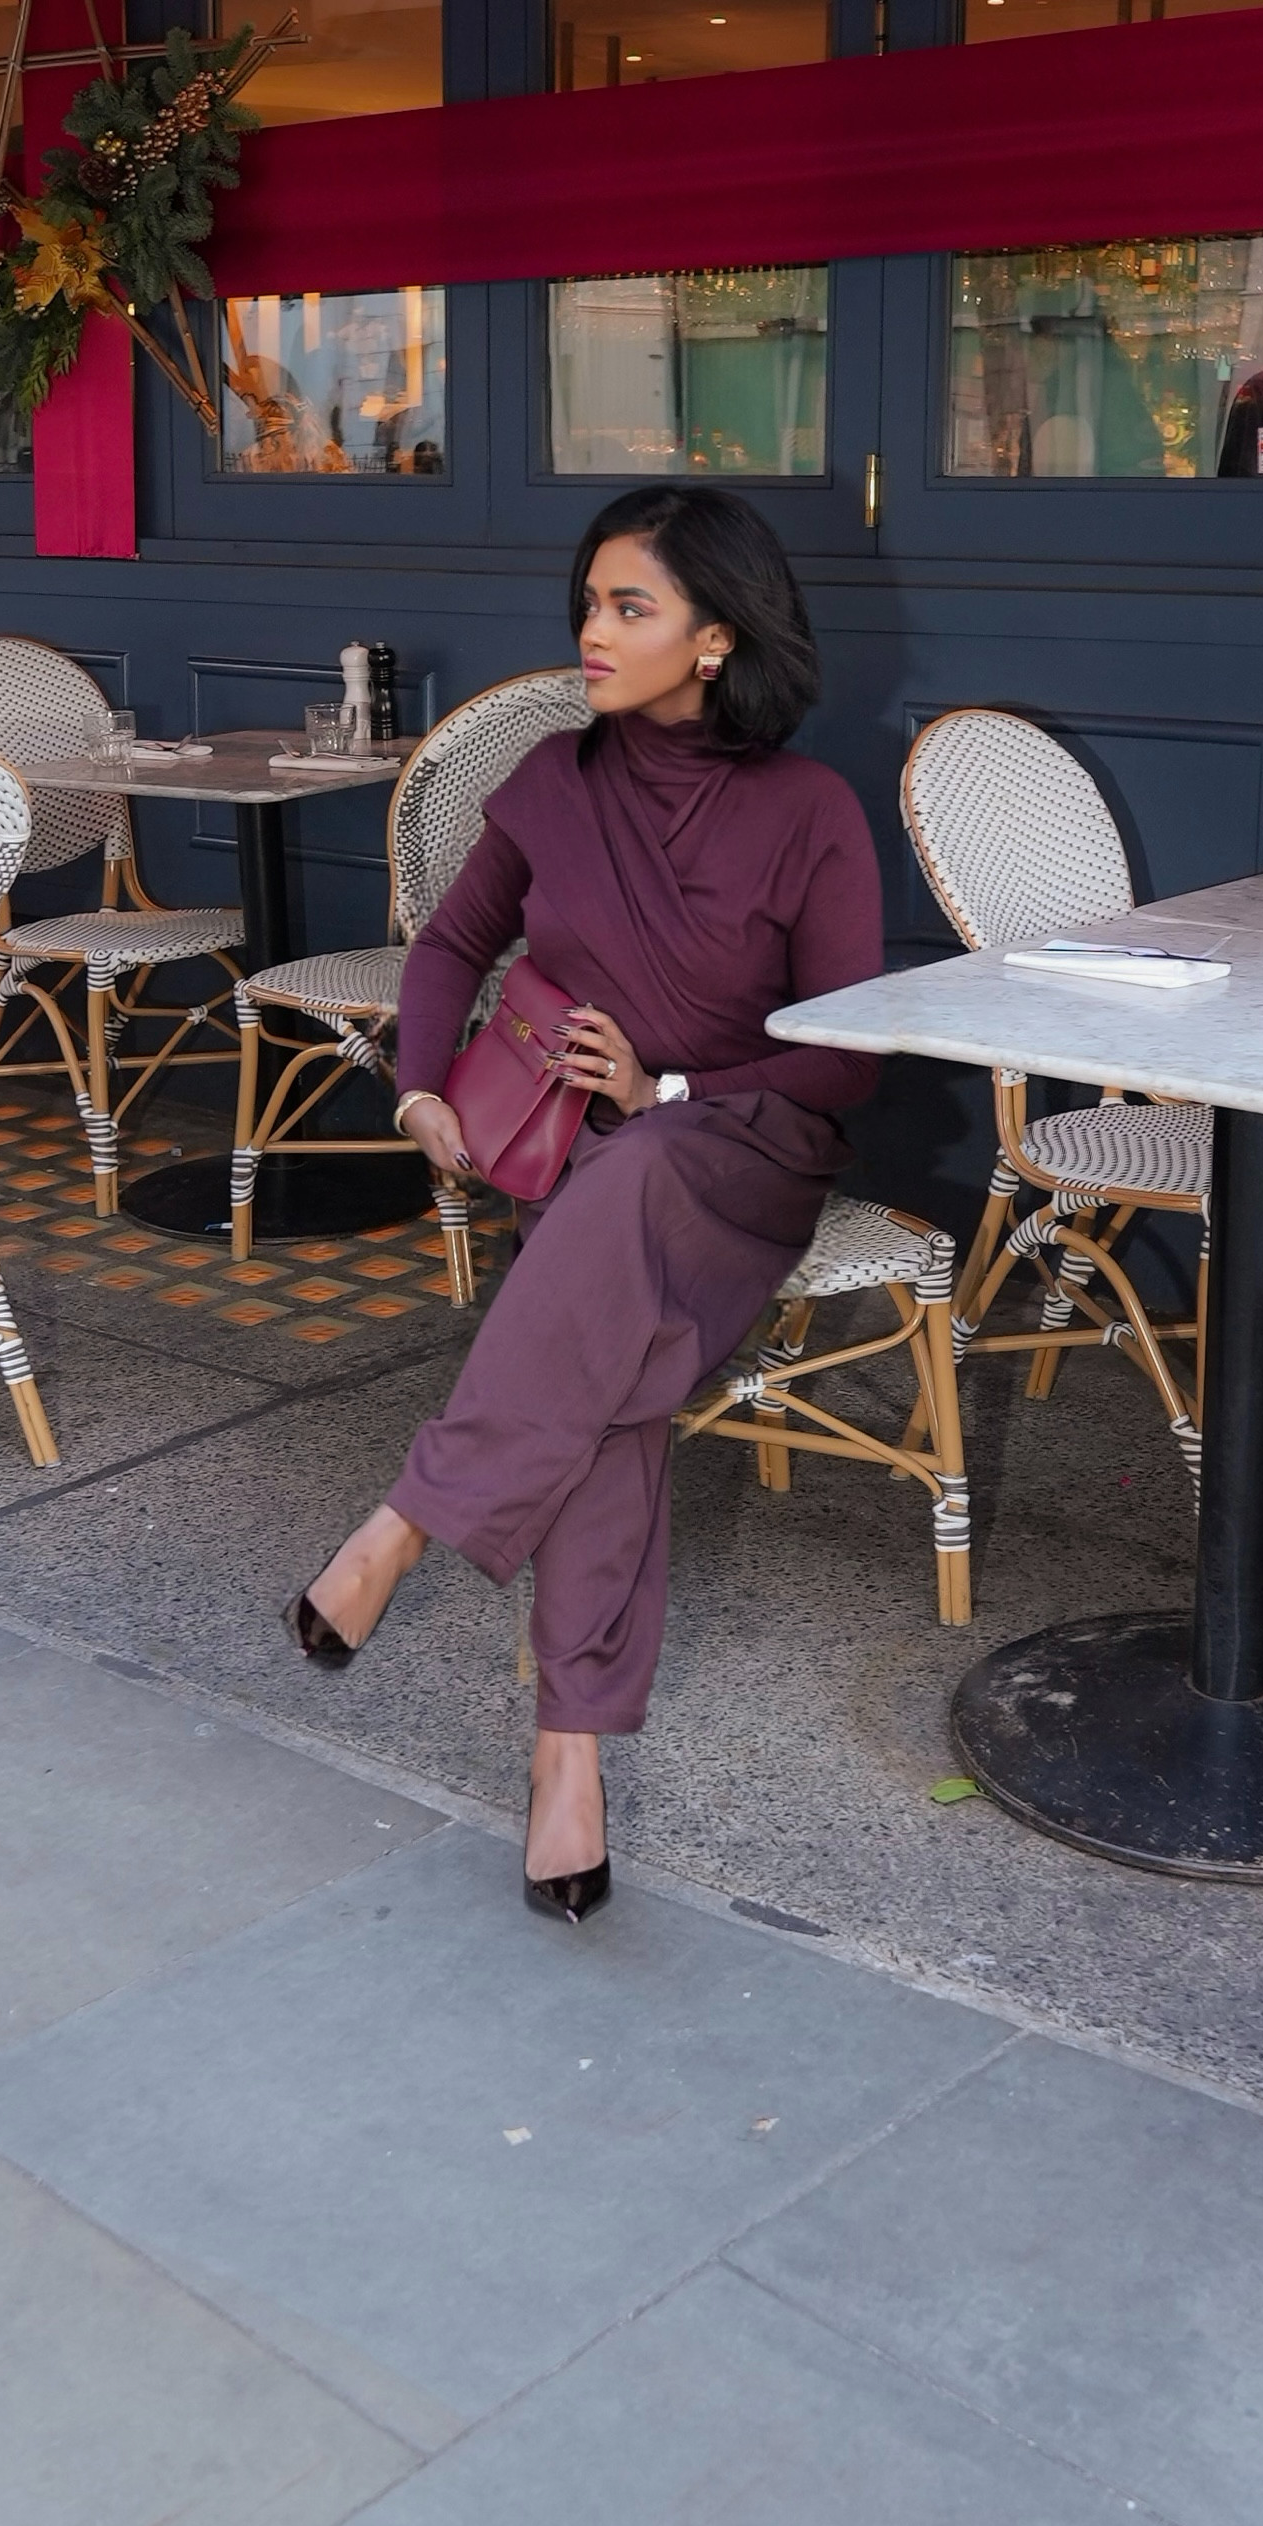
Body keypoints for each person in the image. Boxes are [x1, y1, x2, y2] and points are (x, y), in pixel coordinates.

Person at [284, 486, 883, 1922]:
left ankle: (407, 1527)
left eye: (633, 608)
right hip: (588, 1167)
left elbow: (853, 1050)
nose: (592, 633)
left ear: (717, 639)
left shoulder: (811, 811)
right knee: (610, 1365)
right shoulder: (559, 779)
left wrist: (672, 1084)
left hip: (741, 1144)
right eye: (591, 602)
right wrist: (422, 1084)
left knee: (630, 1204)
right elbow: (449, 946)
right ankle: (570, 1760)